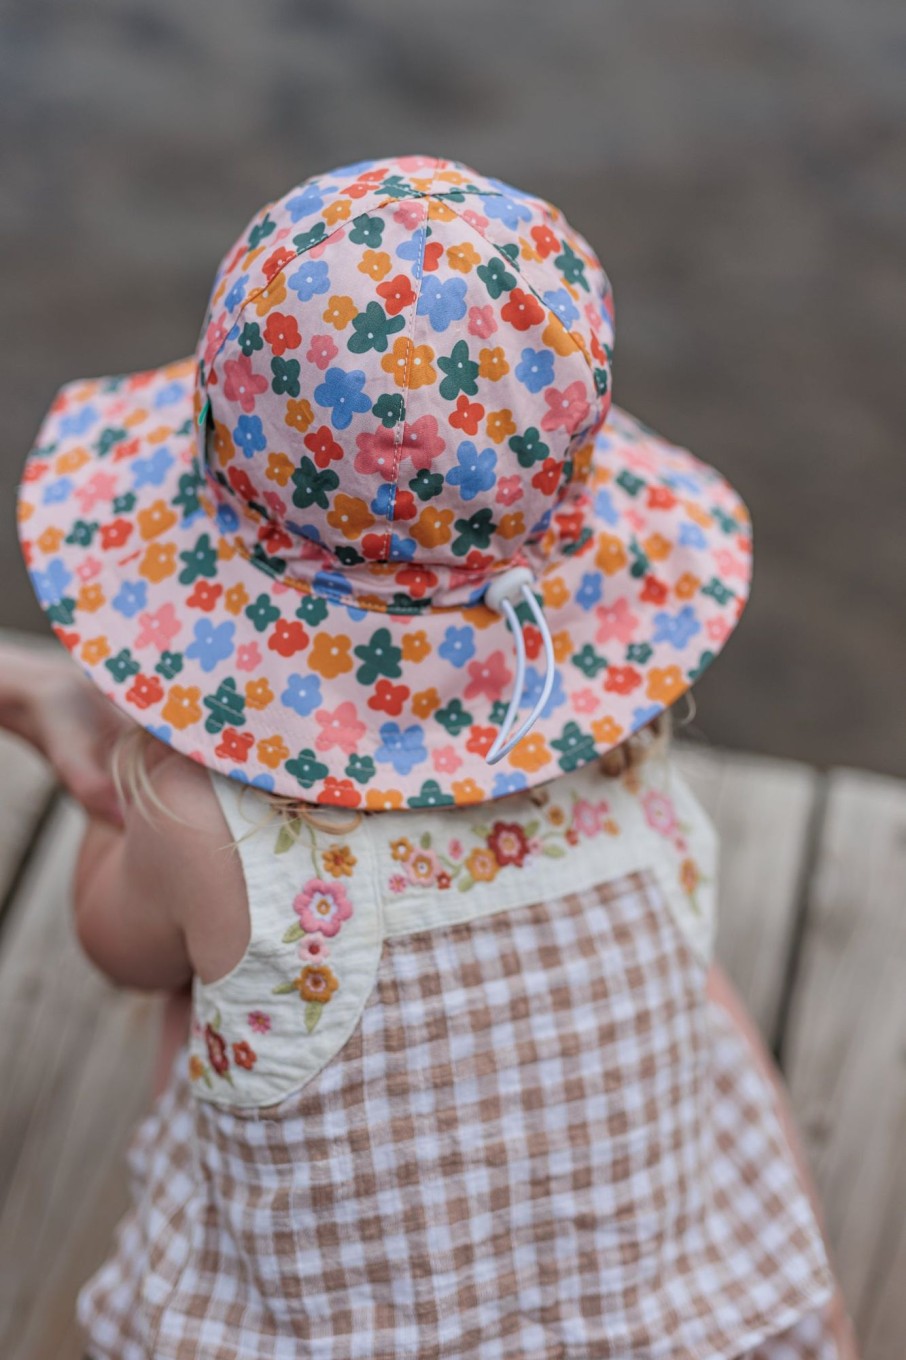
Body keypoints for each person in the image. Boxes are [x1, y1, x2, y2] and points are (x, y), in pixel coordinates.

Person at [8, 154, 858, 1359]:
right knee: (704, 1003)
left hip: (327, 1326)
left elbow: (114, 942)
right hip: (661, 1324)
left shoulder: (201, 813)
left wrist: (120, 772)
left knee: (199, 989)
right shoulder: (620, 752)